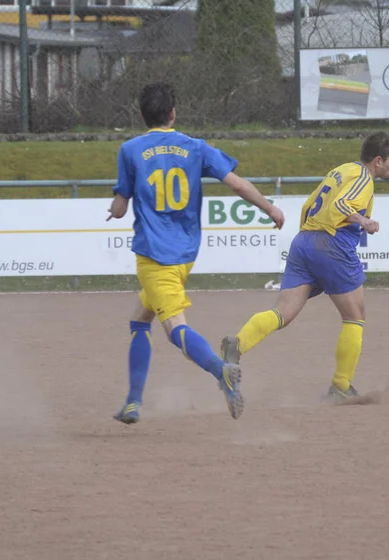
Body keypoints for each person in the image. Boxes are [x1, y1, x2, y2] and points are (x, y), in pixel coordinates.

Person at [106, 82, 285, 424]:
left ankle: (222, 372)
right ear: (173, 114)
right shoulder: (195, 147)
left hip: (154, 256)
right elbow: (236, 183)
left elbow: (119, 205)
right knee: (140, 319)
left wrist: (113, 209)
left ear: (143, 116)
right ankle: (132, 402)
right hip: (186, 253)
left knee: (175, 328)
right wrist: (270, 208)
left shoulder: (130, 150)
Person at [219, 132, 389, 401]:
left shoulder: (342, 170)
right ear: (378, 161)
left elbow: (311, 203)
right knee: (355, 316)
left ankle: (237, 344)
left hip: (304, 241)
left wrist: (310, 238)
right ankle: (340, 386)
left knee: (282, 313)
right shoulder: (364, 179)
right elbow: (340, 205)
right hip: (331, 244)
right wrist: (363, 222)